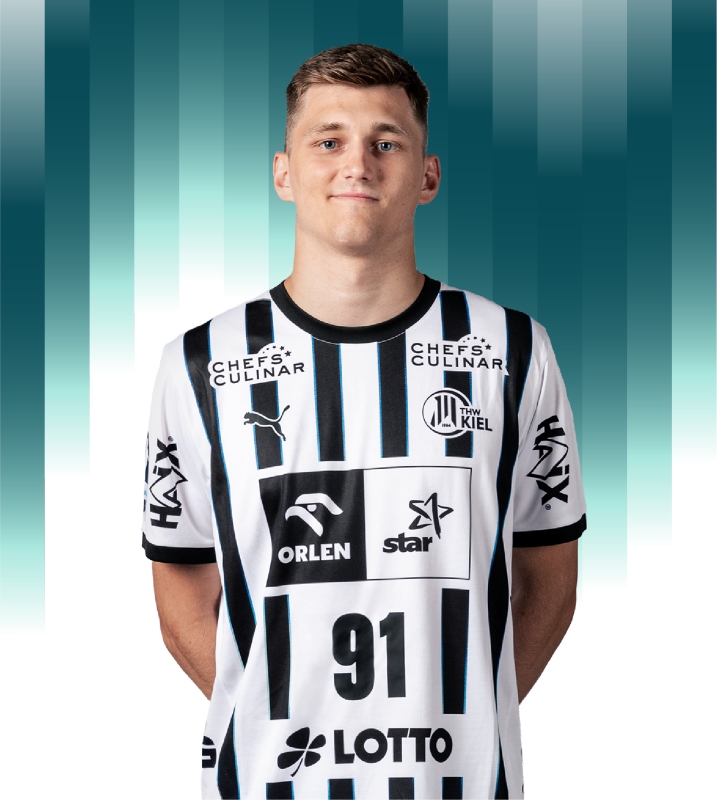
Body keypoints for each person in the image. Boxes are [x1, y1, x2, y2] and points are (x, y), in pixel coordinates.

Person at [142, 43, 586, 800]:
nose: (357, 164)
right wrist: (270, 708)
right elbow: (179, 572)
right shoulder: (200, 363)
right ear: (283, 172)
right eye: (328, 141)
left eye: (386, 143)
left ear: (427, 176)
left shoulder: (511, 350)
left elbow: (548, 580)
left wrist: (468, 711)